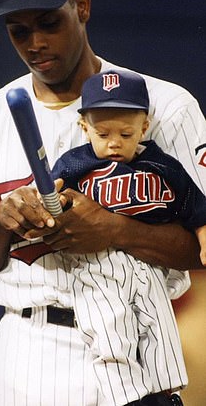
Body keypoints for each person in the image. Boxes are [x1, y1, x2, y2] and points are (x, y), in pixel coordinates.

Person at [0, 0, 206, 405]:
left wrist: (112, 230)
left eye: (48, 23)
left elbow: (200, 250)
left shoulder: (166, 107)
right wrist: (0, 221)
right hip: (30, 349)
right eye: (18, 31)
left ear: (81, 7)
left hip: (140, 344)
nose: (36, 44)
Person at [50, 68, 206, 403]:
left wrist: (204, 237)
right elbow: (51, 195)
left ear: (144, 128)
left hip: (146, 261)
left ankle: (166, 393)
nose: (114, 143)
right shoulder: (76, 164)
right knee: (110, 329)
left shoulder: (161, 166)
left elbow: (194, 204)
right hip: (95, 266)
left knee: (160, 327)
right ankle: (126, 399)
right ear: (84, 127)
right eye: (103, 133)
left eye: (125, 133)